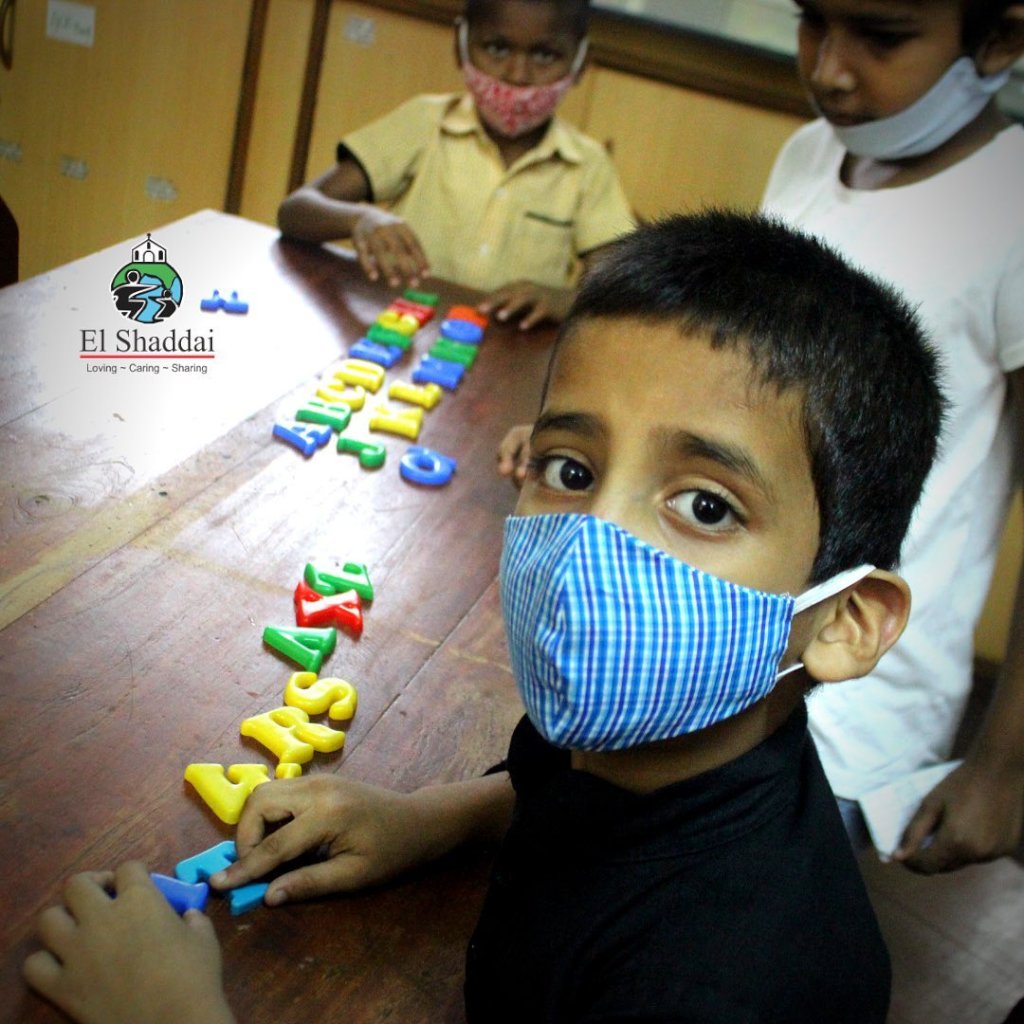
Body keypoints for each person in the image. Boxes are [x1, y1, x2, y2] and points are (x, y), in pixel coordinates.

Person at [23, 211, 945, 1022]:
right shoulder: (640, 742)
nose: (592, 547)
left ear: (844, 621)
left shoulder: (711, 987)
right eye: (571, 471)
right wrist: (432, 817)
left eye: (706, 506)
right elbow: (563, 788)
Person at [758, 0, 1024, 873]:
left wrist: (1004, 766)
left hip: (858, 706)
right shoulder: (809, 155)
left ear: (1000, 38)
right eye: (813, 21)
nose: (829, 69)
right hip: (733, 656)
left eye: (882, 37)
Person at [277, 0, 634, 330]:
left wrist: (564, 300)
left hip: (510, 350)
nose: (517, 74)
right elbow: (295, 211)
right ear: (460, 45)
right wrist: (360, 219)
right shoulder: (423, 123)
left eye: (545, 54)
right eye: (496, 48)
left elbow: (618, 282)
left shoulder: (589, 165)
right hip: (403, 332)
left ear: (580, 62)